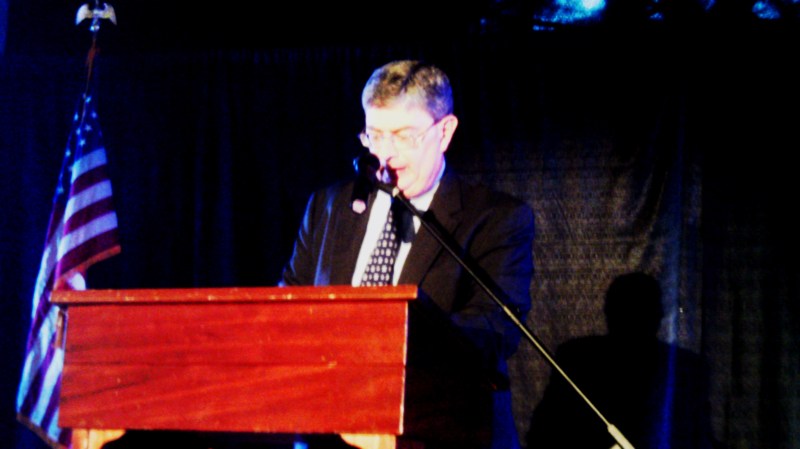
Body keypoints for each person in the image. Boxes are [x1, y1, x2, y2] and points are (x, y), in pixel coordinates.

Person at [280, 60, 535, 449]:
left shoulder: (496, 218)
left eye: (404, 136)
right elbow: (291, 305)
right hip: (330, 430)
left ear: (445, 132)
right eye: (375, 136)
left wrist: (381, 342)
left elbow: (495, 330)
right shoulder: (329, 206)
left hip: (435, 433)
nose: (385, 155)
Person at [526, 272, 714, 449]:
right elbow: (543, 433)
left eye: (642, 312)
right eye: (628, 312)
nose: (634, 324)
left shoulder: (686, 369)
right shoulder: (579, 360)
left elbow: (700, 439)